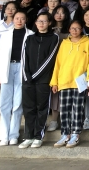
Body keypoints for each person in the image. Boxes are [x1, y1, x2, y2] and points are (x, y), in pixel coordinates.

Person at [50, 19, 89, 148]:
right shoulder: (64, 44)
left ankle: (75, 134)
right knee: (64, 109)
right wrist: (54, 82)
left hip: (79, 82)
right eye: (72, 28)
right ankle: (65, 134)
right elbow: (58, 63)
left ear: (82, 29)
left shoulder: (88, 43)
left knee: (77, 109)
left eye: (77, 28)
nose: (74, 31)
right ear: (69, 30)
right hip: (64, 80)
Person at [19, 12, 60, 149]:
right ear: (35, 23)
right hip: (27, 80)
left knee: (42, 108)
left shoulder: (54, 38)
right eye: (39, 21)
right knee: (28, 108)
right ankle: (28, 136)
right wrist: (27, 76)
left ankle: (38, 136)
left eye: (44, 21)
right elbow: (24, 58)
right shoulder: (29, 38)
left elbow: (50, 59)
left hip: (43, 80)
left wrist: (35, 75)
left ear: (49, 23)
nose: (41, 24)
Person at [0, 10, 34, 146]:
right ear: (13, 19)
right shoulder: (5, 35)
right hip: (7, 69)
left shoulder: (31, 35)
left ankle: (14, 135)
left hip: (22, 69)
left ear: (26, 20)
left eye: (22, 18)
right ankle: (4, 135)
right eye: (17, 18)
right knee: (4, 104)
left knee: (18, 104)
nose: (19, 21)